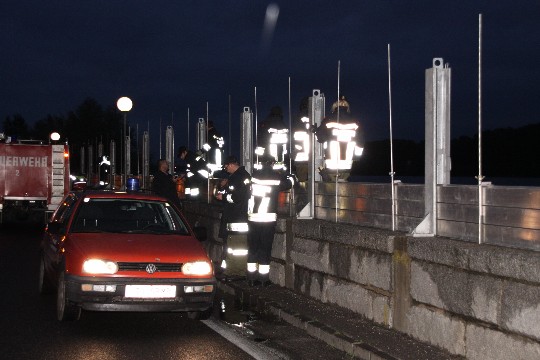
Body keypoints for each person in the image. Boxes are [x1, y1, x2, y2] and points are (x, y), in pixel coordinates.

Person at [246, 156, 294, 287]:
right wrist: (287, 173)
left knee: (253, 248)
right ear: (272, 164)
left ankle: (251, 278)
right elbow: (289, 183)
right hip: (267, 219)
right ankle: (263, 280)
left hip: (253, 218)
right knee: (265, 248)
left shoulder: (254, 176)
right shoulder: (274, 177)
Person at [214, 156, 251, 277]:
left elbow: (237, 197)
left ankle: (236, 271)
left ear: (231, 164)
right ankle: (233, 269)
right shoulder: (242, 176)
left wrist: (223, 197)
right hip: (238, 216)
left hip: (237, 217)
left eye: (226, 167)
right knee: (234, 247)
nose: (226, 169)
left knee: (236, 248)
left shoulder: (238, 177)